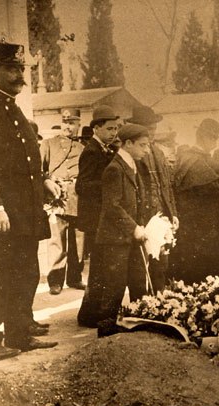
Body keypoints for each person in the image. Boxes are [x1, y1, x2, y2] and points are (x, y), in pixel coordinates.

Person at [0, 42, 57, 362]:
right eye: (13, 69)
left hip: (25, 211)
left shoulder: (13, 108)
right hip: (2, 212)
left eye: (22, 69)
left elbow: (25, 160)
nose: (20, 76)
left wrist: (45, 181)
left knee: (26, 270)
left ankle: (19, 332)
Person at [85, 124, 151, 324]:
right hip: (115, 239)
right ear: (128, 143)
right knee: (115, 285)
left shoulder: (131, 164)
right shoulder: (114, 168)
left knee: (139, 281)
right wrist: (134, 228)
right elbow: (112, 207)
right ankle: (107, 328)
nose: (146, 150)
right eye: (143, 145)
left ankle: (139, 322)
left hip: (130, 237)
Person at [172, 118, 219, 284]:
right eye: (212, 139)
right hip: (198, 223)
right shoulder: (194, 159)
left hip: (204, 221)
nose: (214, 144)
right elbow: (214, 184)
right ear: (203, 138)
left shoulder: (196, 158)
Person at [125, 105, 177, 292]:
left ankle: (159, 303)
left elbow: (166, 186)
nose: (153, 132)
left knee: (161, 262)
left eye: (155, 128)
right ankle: (140, 307)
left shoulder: (159, 153)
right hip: (142, 217)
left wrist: (173, 213)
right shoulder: (133, 154)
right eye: (149, 128)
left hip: (161, 216)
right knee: (140, 266)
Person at [76, 105, 119, 327]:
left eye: (116, 129)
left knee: (102, 264)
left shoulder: (107, 149)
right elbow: (82, 186)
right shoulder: (91, 151)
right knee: (98, 266)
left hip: (102, 217)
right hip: (94, 219)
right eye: (110, 129)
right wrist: (108, 184)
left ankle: (95, 310)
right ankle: (89, 314)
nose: (114, 133)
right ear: (97, 128)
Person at [41, 108, 86, 295]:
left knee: (79, 239)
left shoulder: (83, 148)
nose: (68, 126)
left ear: (78, 125)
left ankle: (75, 278)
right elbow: (39, 171)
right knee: (57, 239)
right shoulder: (48, 144)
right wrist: (48, 182)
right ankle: (55, 280)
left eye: (72, 123)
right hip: (57, 197)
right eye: (65, 122)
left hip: (78, 196)